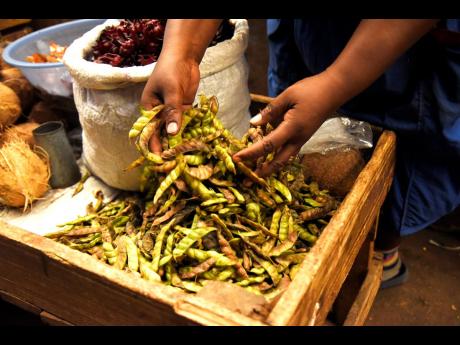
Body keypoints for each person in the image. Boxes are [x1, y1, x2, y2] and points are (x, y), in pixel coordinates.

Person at [140, 19, 460, 288]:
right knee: (292, 131)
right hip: (315, 29)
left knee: (399, 175)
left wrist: (335, 82)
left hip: (406, 43)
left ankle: (381, 252)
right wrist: (181, 52)